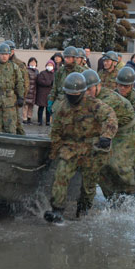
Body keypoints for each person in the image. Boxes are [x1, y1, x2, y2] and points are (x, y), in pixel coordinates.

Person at [44, 72, 118, 224]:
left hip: (91, 149)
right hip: (71, 147)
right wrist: (53, 153)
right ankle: (57, 210)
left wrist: (107, 135)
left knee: (88, 185)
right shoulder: (62, 107)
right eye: (70, 94)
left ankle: (83, 211)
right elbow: (56, 132)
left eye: (76, 95)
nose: (72, 98)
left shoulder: (94, 104)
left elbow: (110, 117)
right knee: (61, 175)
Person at [84, 69, 135, 202]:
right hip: (117, 132)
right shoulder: (91, 99)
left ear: (97, 86)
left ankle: (131, 195)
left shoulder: (108, 99)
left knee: (119, 166)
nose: (87, 93)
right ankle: (113, 198)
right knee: (103, 166)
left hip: (131, 132)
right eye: (85, 90)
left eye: (89, 90)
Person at [47, 46, 85, 111]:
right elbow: (54, 87)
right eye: (65, 57)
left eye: (68, 57)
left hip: (75, 102)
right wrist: (51, 100)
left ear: (74, 58)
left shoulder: (81, 71)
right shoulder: (60, 71)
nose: (66, 59)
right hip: (60, 101)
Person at [9, 42, 29, 134]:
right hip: (3, 99)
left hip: (15, 98)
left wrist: (22, 98)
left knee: (15, 122)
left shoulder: (19, 64)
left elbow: (25, 83)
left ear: (12, 51)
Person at [36, 60, 55, 126]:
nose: (49, 66)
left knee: (48, 109)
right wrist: (49, 82)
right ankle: (39, 121)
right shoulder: (42, 73)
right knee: (41, 108)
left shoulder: (54, 74)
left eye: (51, 65)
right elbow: (40, 81)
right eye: (48, 65)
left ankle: (47, 121)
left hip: (49, 93)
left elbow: (55, 83)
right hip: (42, 93)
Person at [23, 57, 39, 124]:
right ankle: (24, 119)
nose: (33, 63)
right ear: (29, 63)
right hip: (27, 90)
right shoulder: (26, 70)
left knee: (31, 106)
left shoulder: (37, 71)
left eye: (34, 62)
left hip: (34, 91)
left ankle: (29, 118)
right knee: (25, 106)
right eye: (31, 62)